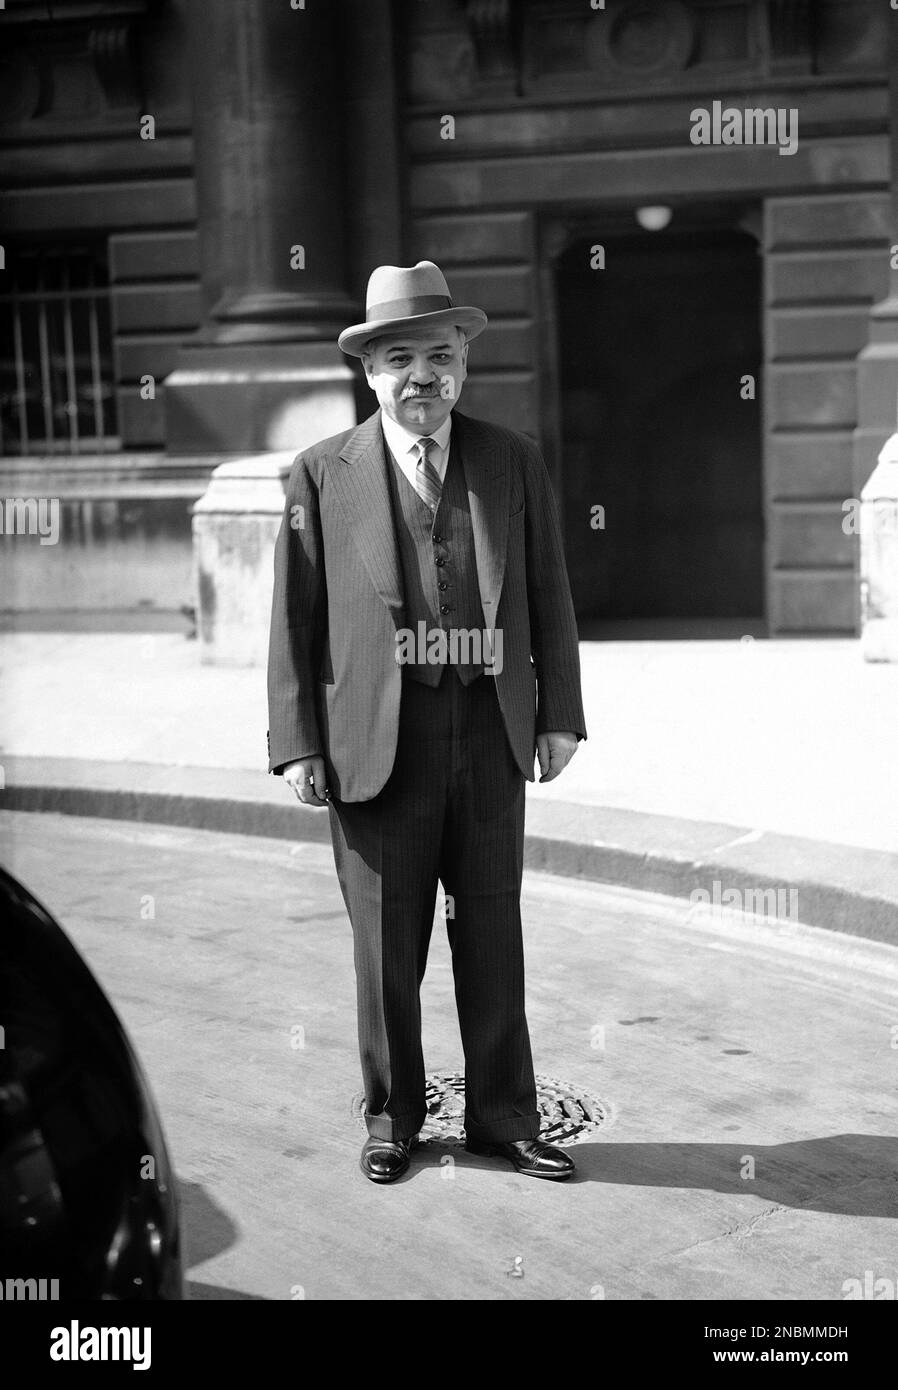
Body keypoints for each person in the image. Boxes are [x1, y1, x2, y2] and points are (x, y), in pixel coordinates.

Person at [267, 261, 586, 1183]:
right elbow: (292, 618)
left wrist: (558, 713)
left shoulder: (510, 459)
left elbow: (548, 594)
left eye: (440, 357)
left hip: (488, 735)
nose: (423, 377)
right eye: (401, 357)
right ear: (368, 371)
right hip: (375, 745)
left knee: (491, 930)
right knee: (386, 944)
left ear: (463, 366)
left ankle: (503, 1118)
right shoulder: (320, 474)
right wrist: (298, 744)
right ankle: (393, 1118)